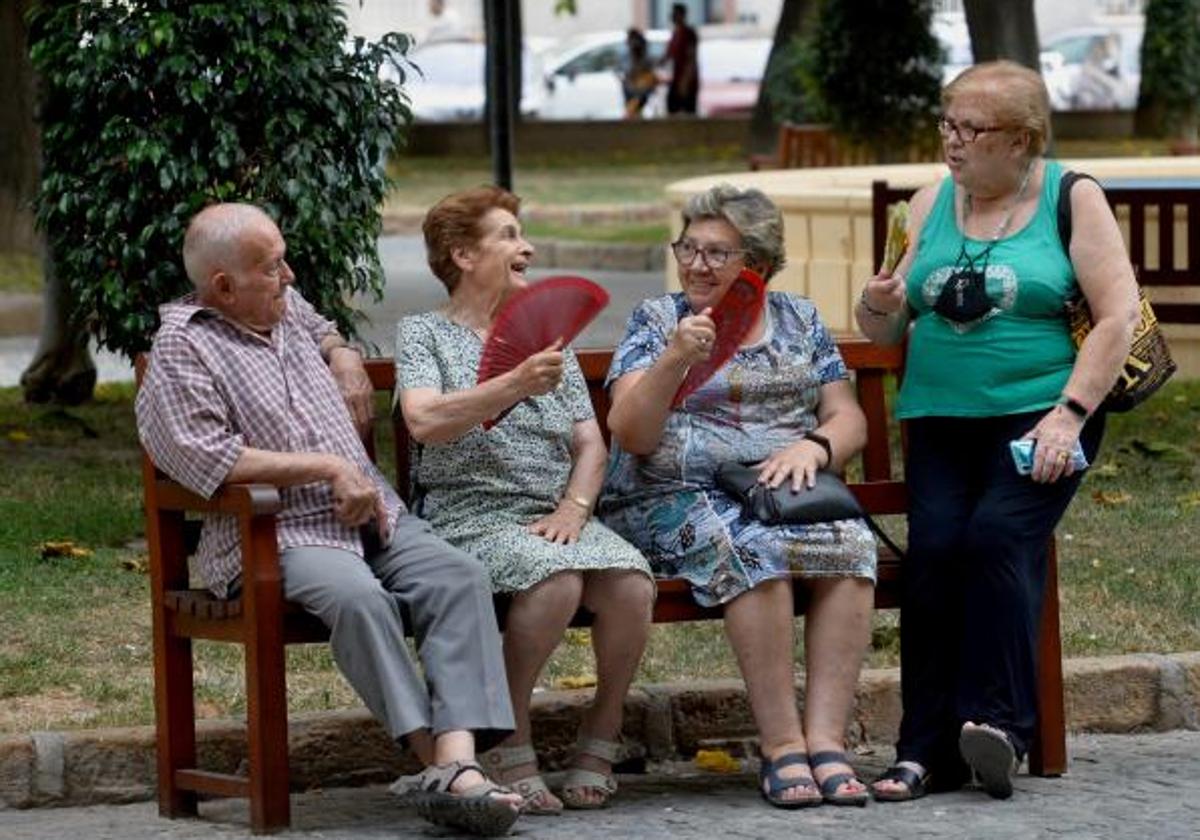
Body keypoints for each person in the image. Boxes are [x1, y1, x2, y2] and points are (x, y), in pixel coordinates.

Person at [135, 203, 522, 836]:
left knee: (457, 576)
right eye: (272, 267)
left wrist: (341, 352)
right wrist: (326, 467)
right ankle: (442, 768)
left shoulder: (283, 305)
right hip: (276, 532)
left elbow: (321, 324)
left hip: (371, 517)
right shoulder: (185, 345)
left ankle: (456, 764)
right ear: (223, 286)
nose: (288, 275)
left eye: (285, 259)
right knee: (360, 599)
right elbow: (208, 456)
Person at [856, 60, 1139, 802]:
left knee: (994, 539)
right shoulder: (926, 205)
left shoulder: (1070, 196)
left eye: (970, 128)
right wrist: (878, 303)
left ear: (1021, 140)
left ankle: (1000, 727)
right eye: (946, 123)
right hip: (939, 416)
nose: (952, 142)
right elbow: (887, 332)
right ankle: (921, 749)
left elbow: (1118, 317)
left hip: (1042, 413)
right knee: (936, 556)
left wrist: (1069, 414)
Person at [600, 183, 877, 808]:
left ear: (756, 263)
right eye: (688, 248)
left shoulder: (800, 319)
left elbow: (846, 416)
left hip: (778, 491)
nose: (696, 265)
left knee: (852, 545)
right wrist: (675, 359)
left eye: (716, 253)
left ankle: (826, 742)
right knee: (756, 554)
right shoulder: (656, 321)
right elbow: (632, 434)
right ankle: (781, 747)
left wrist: (816, 447)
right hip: (671, 495)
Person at [394, 186, 655, 814]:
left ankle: (602, 734)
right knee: (556, 580)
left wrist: (575, 508)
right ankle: (510, 737)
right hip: (469, 512)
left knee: (631, 584)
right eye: (508, 235)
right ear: (462, 254)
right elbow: (424, 421)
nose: (526, 247)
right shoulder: (423, 333)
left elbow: (591, 443)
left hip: (555, 514)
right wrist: (511, 382)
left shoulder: (546, 337)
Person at [661, 3, 699, 115]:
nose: (672, 17)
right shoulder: (675, 34)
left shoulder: (689, 34)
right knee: (672, 107)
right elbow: (667, 56)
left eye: (675, 14)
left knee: (687, 111)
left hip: (686, 81)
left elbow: (691, 58)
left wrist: (685, 81)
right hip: (676, 79)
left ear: (682, 15)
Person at [621, 28, 658, 119]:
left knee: (634, 112)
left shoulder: (644, 58)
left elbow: (648, 77)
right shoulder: (628, 56)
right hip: (632, 90)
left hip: (641, 91)